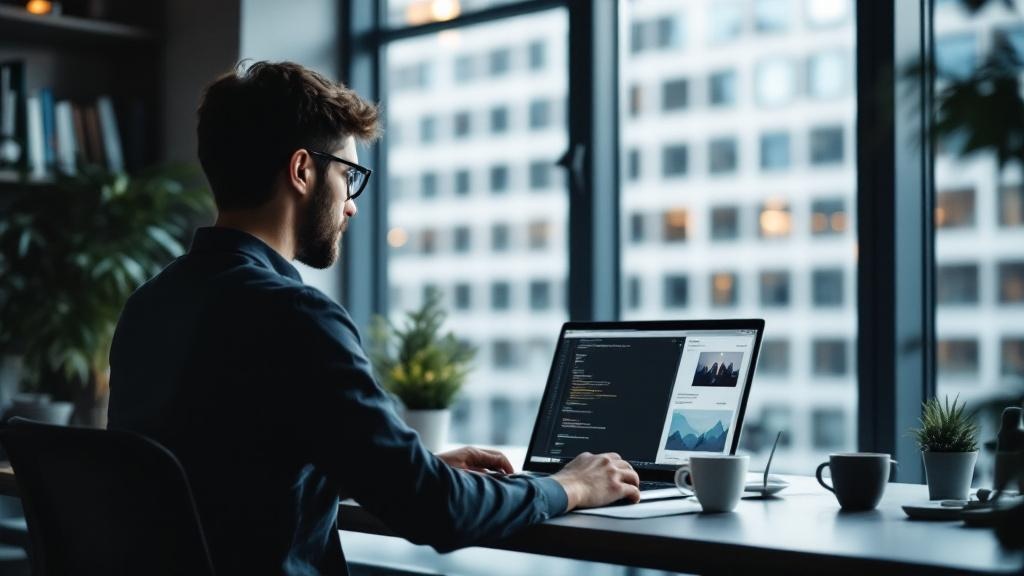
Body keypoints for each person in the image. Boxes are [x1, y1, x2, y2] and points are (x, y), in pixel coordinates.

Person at [106, 61, 640, 575]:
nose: (352, 205)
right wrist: (571, 486)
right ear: (302, 170)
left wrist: (393, 471)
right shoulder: (293, 314)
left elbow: (223, 479)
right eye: (350, 175)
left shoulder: (152, 302)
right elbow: (436, 511)